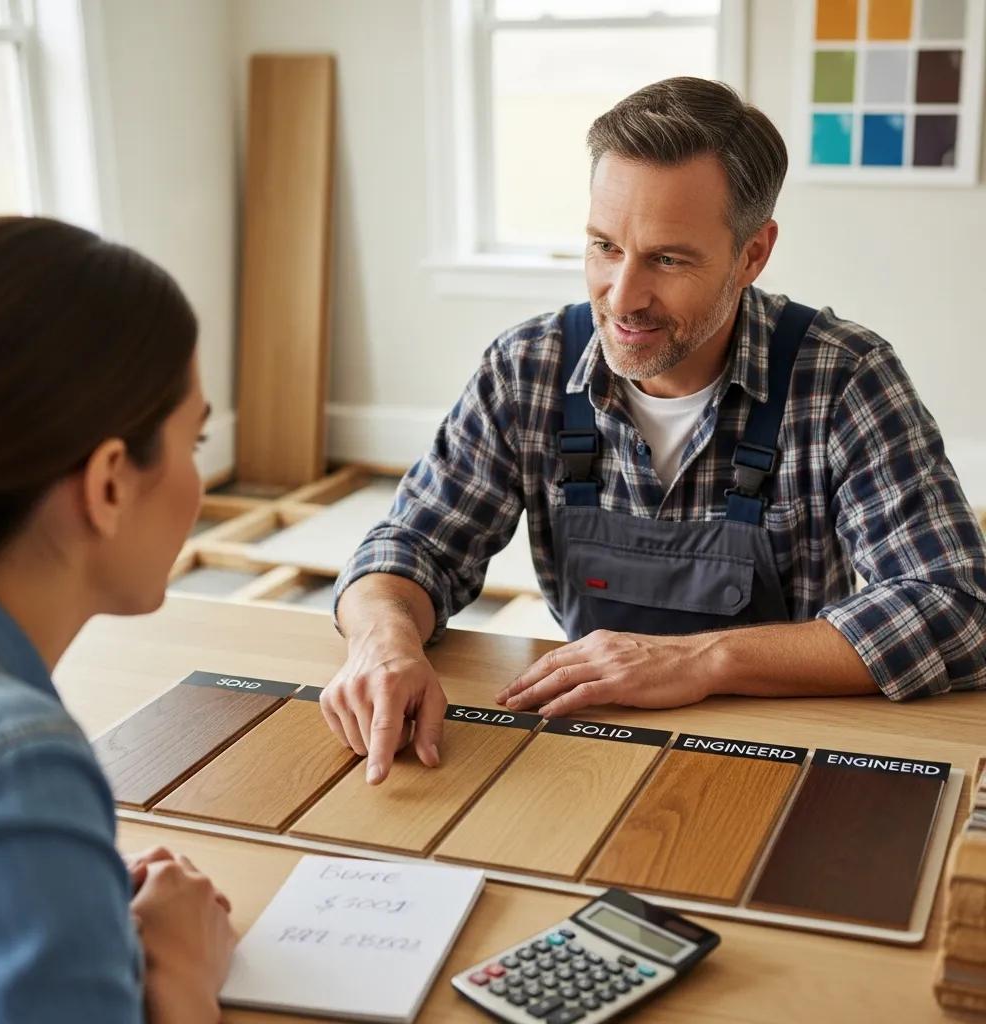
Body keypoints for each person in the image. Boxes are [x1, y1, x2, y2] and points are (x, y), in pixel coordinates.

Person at [322, 77, 986, 785]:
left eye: (668, 259)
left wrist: (699, 659)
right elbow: (412, 545)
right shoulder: (528, 368)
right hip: (588, 743)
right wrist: (384, 640)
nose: (624, 296)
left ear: (753, 255)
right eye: (605, 246)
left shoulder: (843, 379)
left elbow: (956, 607)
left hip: (777, 745)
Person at [0, 216, 236, 1022]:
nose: (201, 482)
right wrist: (183, 973)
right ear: (111, 481)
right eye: (198, 438)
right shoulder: (18, 765)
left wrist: (61, 890)